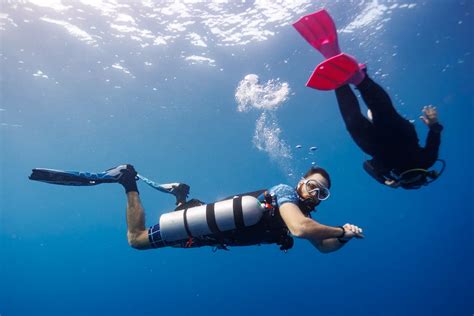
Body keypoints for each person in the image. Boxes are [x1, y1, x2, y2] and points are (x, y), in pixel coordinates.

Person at [293, 9, 444, 189]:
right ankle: (359, 79)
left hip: (376, 144)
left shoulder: (388, 172)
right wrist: (433, 124)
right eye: (417, 181)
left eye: (410, 182)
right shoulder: (427, 161)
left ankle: (342, 80)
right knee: (384, 114)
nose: (413, 178)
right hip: (400, 135)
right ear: (426, 176)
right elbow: (434, 138)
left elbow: (367, 165)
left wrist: (384, 180)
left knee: (355, 124)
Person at [115, 164, 364, 252]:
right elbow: (300, 229)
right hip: (204, 229)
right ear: (301, 183)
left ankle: (181, 197)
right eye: (312, 186)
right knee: (137, 240)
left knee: (176, 223)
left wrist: (344, 237)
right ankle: (128, 181)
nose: (315, 193)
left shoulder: (304, 214)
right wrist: (339, 230)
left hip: (209, 230)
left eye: (322, 193)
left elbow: (323, 247)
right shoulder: (286, 193)